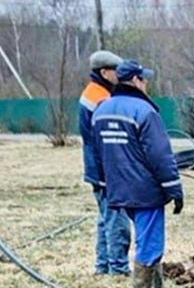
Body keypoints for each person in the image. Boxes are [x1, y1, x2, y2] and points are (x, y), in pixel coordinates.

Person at [92, 60, 183, 288]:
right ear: (135, 80)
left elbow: (98, 153)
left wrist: (104, 184)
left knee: (146, 239)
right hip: (146, 190)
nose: (146, 84)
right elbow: (160, 156)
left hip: (119, 189)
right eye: (144, 79)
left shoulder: (101, 110)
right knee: (150, 243)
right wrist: (174, 189)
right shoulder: (144, 112)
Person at [79, 50, 131, 276]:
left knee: (105, 218)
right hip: (105, 170)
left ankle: (103, 266)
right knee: (116, 219)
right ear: (104, 72)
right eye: (116, 71)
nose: (119, 76)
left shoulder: (93, 92)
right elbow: (108, 139)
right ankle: (118, 268)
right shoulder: (101, 98)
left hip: (97, 168)